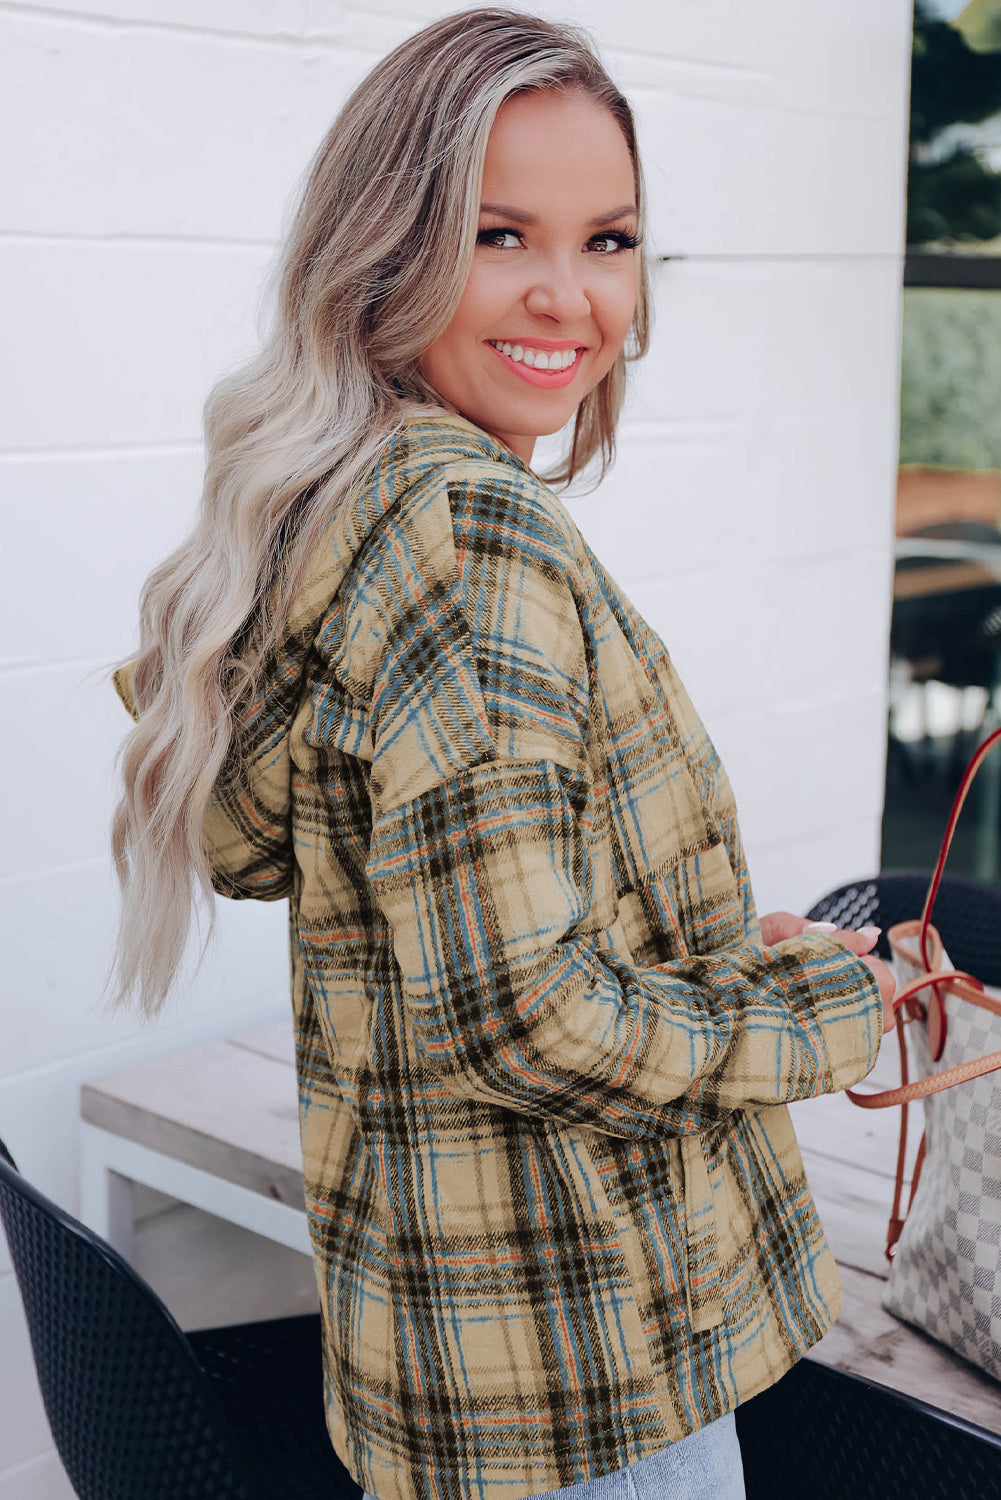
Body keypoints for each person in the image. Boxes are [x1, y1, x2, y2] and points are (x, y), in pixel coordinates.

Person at [110, 9, 897, 1499]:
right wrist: (814, 1022)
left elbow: (493, 942)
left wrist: (715, 963)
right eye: (496, 233)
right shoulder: (465, 535)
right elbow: (527, 1020)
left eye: (608, 238)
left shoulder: (350, 506)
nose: (568, 295)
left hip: (468, 1357)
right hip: (587, 1371)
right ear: (382, 249)